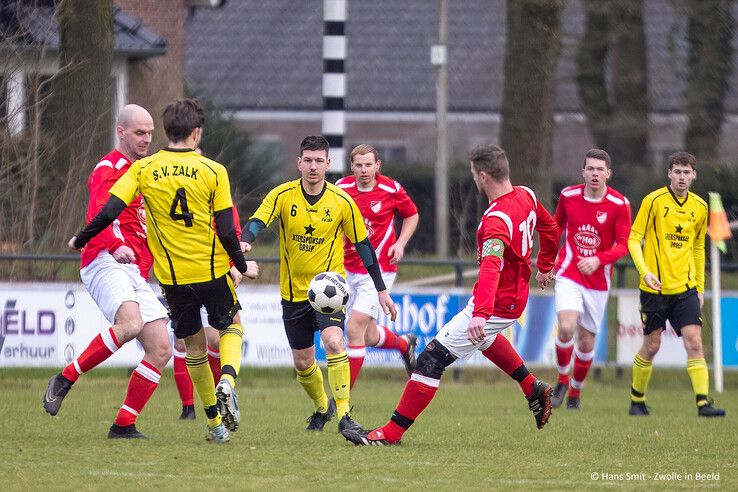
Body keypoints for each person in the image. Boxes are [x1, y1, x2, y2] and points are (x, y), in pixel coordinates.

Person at [342, 144, 559, 446]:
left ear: (483, 176)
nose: (473, 179)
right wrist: (545, 265)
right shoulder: (527, 195)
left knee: (431, 359)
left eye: (473, 174)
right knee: (485, 340)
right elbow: (551, 228)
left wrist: (481, 313)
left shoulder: (495, 220)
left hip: (497, 301)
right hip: (511, 297)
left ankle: (390, 434)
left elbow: (491, 269)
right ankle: (530, 386)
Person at [66, 98, 251, 442]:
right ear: (197, 132)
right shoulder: (214, 171)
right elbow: (227, 229)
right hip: (210, 270)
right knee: (232, 327)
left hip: (173, 279)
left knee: (192, 347)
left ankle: (214, 424)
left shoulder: (143, 169)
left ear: (165, 131)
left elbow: (106, 212)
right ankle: (227, 378)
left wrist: (82, 237)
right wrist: (240, 265)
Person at [241, 135, 397, 432]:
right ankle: (322, 407)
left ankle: (344, 416)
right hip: (293, 294)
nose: (313, 167)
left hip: (329, 290)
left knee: (336, 342)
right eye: (308, 161)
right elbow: (256, 221)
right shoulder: (283, 195)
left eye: (319, 161)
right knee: (302, 363)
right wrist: (245, 243)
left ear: (328, 164)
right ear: (299, 163)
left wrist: (381, 289)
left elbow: (364, 246)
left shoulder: (341, 202)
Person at [43, 104, 172, 439]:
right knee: (129, 324)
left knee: (160, 348)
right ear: (120, 131)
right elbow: (101, 214)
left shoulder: (146, 170)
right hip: (104, 257)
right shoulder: (108, 168)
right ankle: (65, 378)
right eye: (139, 132)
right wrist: (116, 246)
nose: (146, 139)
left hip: (134, 269)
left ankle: (123, 425)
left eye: (149, 133)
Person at [628, 152, 725, 417]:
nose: (682, 177)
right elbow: (634, 240)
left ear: (694, 175)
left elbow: (697, 248)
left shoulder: (700, 207)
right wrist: (645, 272)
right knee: (652, 346)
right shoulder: (654, 201)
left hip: (686, 289)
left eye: (687, 172)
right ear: (669, 173)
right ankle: (637, 399)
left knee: (694, 342)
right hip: (655, 289)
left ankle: (703, 404)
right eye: (677, 172)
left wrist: (700, 287)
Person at [550, 149, 631, 410]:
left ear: (608, 173)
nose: (595, 174)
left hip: (598, 280)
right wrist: (547, 262)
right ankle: (563, 379)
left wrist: (599, 259)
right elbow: (555, 228)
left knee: (586, 341)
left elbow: (623, 245)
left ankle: (575, 392)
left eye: (600, 169)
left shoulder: (620, 205)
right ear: (583, 172)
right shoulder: (568, 196)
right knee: (566, 327)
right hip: (569, 272)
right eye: (590, 169)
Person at [335, 144, 420, 388]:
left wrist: (401, 243)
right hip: (347, 268)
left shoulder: (390, 189)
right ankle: (404, 344)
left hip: (380, 270)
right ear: (352, 166)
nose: (364, 170)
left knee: (353, 328)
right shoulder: (342, 188)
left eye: (368, 165)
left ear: (377, 166)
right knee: (368, 335)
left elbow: (411, 214)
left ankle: (340, 400)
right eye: (359, 165)